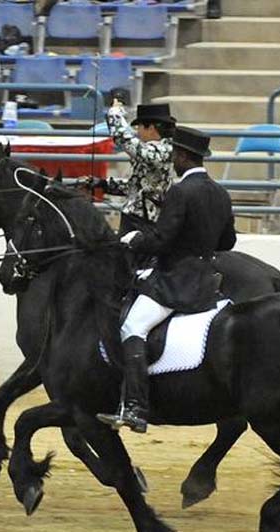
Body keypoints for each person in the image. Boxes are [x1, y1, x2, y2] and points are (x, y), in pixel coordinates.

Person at [97, 126, 236, 432]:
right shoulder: (220, 193)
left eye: (176, 156)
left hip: (176, 281)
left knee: (133, 326)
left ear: (185, 156)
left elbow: (161, 239)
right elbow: (228, 242)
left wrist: (134, 240)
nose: (173, 161)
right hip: (207, 280)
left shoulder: (181, 191)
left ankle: (135, 406)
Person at [85, 101, 175, 225]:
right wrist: (103, 184)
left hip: (145, 221)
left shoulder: (162, 151)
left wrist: (115, 111)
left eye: (139, 128)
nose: (137, 132)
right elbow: (136, 187)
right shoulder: (160, 150)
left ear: (151, 128)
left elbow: (124, 139)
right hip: (138, 218)